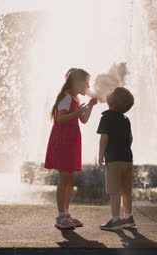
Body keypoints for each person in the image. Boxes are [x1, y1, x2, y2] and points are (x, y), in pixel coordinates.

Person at [45, 68, 97, 229]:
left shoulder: (74, 98)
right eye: (86, 83)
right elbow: (61, 118)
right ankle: (61, 216)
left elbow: (84, 120)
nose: (88, 86)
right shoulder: (66, 98)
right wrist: (79, 111)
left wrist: (90, 106)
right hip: (63, 140)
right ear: (76, 82)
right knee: (64, 178)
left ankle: (66, 213)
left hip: (72, 140)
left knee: (69, 178)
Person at [97, 87, 135, 231]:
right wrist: (124, 149)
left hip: (113, 160)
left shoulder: (106, 117)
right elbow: (131, 138)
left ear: (111, 102)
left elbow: (104, 139)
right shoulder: (126, 119)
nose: (109, 92)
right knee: (126, 190)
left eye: (112, 92)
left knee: (114, 192)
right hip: (127, 159)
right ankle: (128, 217)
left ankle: (115, 220)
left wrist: (101, 156)